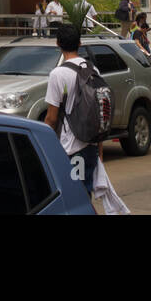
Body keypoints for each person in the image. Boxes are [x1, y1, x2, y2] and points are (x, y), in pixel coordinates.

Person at [44, 23, 101, 197]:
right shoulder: (93, 69)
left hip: (69, 148)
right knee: (85, 195)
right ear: (80, 43)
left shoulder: (58, 74)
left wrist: (44, 144)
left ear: (58, 44)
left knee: (71, 197)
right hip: (90, 145)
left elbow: (52, 118)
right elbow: (98, 113)